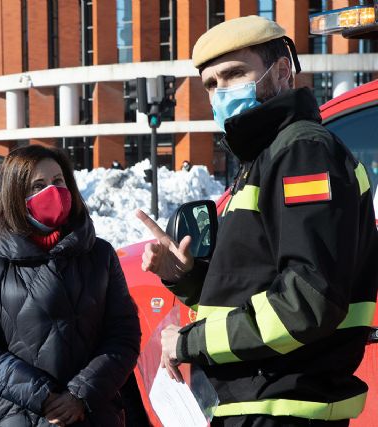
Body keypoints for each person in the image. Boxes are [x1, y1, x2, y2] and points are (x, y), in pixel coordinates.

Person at [138, 15, 378, 427]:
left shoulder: (301, 152)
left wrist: (190, 342)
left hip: (282, 410)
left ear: (282, 72)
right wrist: (191, 278)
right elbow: (256, 288)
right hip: (262, 405)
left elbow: (308, 299)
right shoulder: (264, 157)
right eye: (211, 85)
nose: (221, 93)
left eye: (233, 74)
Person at [0, 145, 141, 426]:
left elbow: (124, 337)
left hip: (92, 413)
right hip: (14, 415)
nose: (53, 191)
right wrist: (43, 397)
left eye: (58, 181)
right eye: (38, 185)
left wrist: (80, 395)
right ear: (16, 195)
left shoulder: (101, 255)